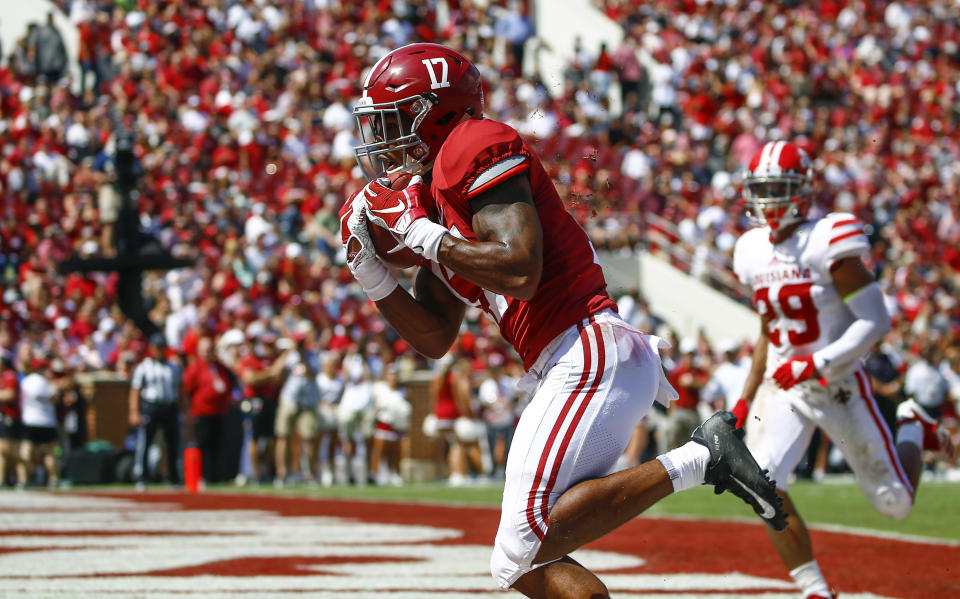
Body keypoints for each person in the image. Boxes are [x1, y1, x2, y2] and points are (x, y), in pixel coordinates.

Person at [339, 43, 785, 597]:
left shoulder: (472, 144)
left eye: (394, 121)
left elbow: (521, 270)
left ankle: (703, 456)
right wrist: (372, 275)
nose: (383, 141)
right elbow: (434, 336)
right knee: (519, 562)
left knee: (523, 541)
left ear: (435, 112)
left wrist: (423, 236)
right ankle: (700, 459)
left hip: (587, 346)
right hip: (572, 359)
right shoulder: (432, 199)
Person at [732, 140, 958, 599]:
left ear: (803, 190)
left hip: (837, 384)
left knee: (894, 504)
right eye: (762, 188)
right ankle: (814, 589)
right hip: (783, 386)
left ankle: (913, 426)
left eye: (779, 187)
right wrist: (742, 398)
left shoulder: (829, 238)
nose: (768, 199)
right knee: (759, 483)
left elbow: (876, 321)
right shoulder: (751, 249)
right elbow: (767, 332)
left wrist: (815, 362)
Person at [128, 333, 182, 488]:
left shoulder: (173, 367)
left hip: (169, 406)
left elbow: (180, 389)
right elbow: (135, 390)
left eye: (162, 347)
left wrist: (183, 409)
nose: (159, 350)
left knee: (172, 443)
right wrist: (134, 411)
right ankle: (143, 477)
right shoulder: (144, 367)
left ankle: (173, 477)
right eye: (157, 347)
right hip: (151, 406)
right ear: (151, 348)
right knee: (146, 442)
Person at [182, 335, 233, 485]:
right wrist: (188, 411)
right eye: (206, 350)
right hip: (201, 413)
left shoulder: (219, 367)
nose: (208, 353)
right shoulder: (195, 368)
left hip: (219, 412)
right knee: (203, 445)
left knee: (217, 445)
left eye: (211, 350)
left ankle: (214, 476)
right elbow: (187, 389)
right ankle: (202, 476)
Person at [274, 335, 321, 486]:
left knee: (309, 437)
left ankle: (309, 473)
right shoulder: (288, 356)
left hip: (308, 401)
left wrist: (302, 356)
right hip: (289, 400)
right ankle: (282, 473)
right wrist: (287, 353)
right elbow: (275, 372)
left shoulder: (312, 355)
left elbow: (312, 373)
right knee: (283, 436)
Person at [19, 358, 60, 487]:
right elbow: (54, 397)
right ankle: (53, 479)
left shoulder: (25, 381)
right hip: (46, 422)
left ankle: (24, 480)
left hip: (29, 420)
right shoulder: (44, 382)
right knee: (50, 453)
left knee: (26, 451)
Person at [369, 364, 411, 486]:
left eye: (394, 375)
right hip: (383, 424)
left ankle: (394, 473)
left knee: (395, 452)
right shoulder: (379, 388)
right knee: (380, 450)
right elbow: (377, 406)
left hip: (396, 426)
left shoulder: (401, 391)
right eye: (390, 375)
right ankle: (375, 473)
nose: (392, 378)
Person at [0, 356, 22, 487]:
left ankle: (18, 477)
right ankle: (2, 480)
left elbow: (10, 394)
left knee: (7, 450)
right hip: (3, 418)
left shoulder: (9, 375)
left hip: (10, 417)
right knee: (2, 450)